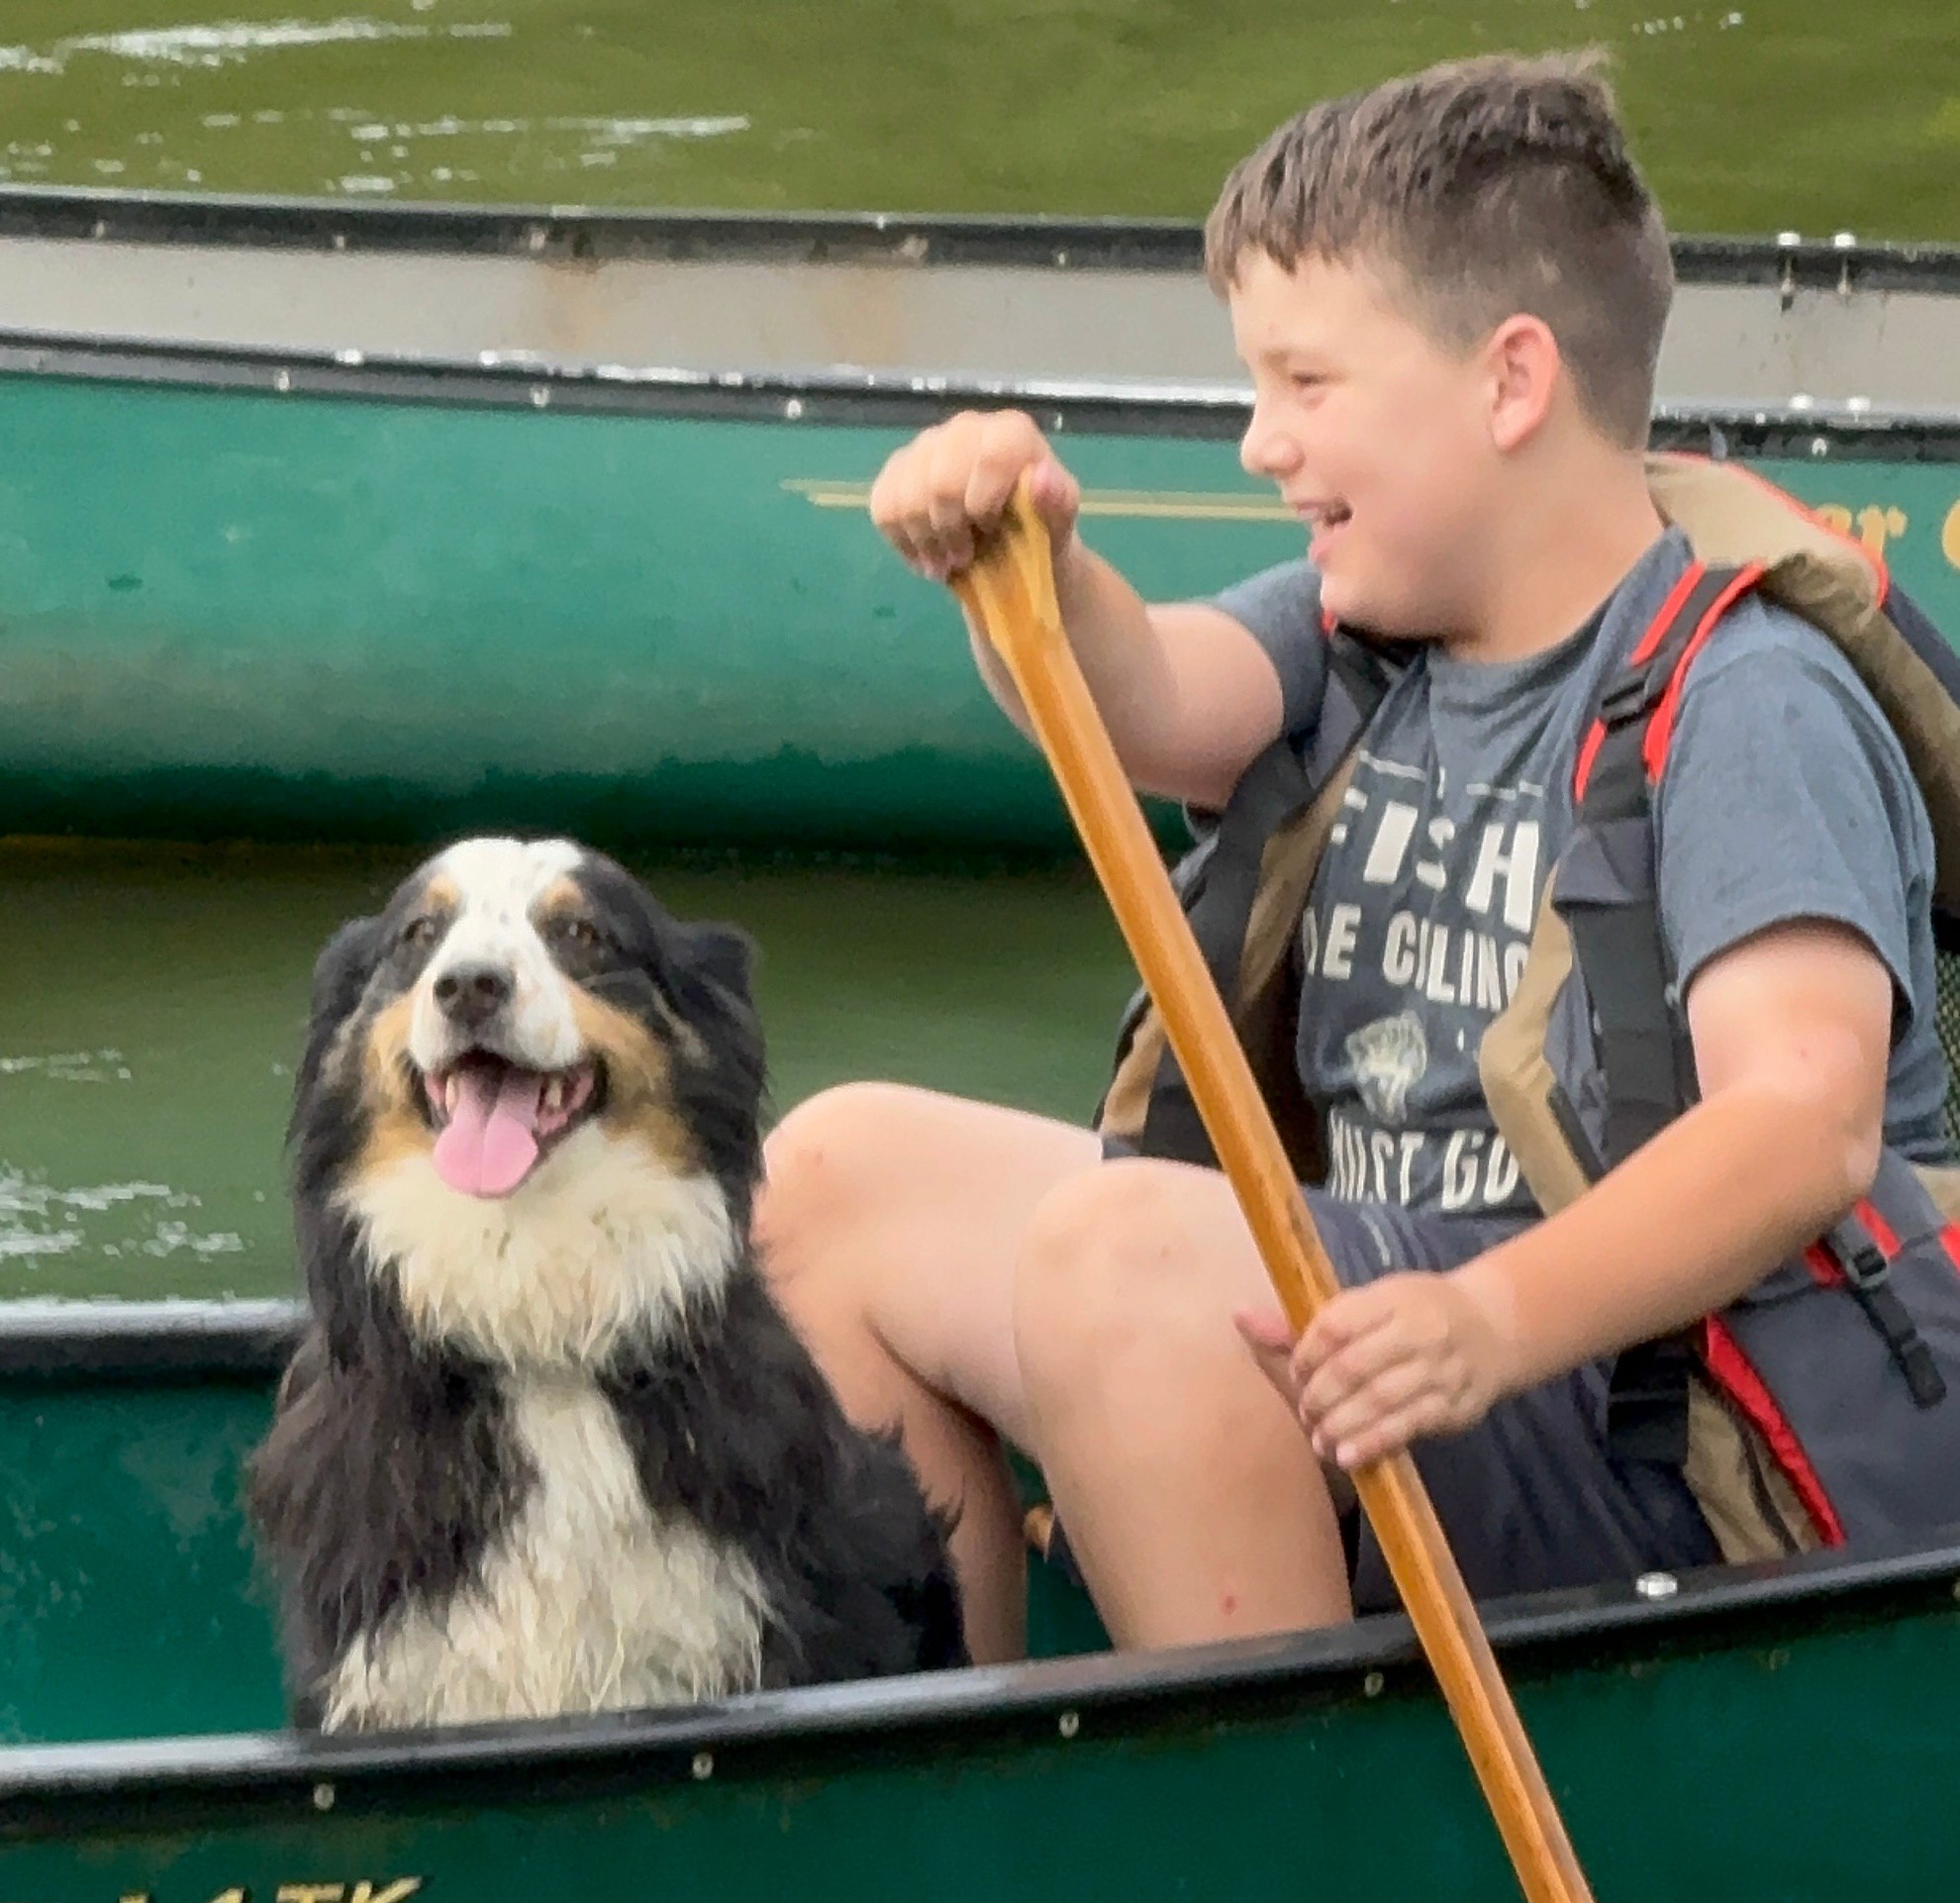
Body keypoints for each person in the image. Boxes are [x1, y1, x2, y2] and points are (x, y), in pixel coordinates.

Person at [756, 53, 1953, 1662]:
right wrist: (1025, 563)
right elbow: (1140, 704)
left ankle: (1284, 1852)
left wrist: (1489, 1323)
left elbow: (1798, 1130)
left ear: (1511, 383)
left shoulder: (1751, 701)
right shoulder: (1367, 639)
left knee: (1140, 1262)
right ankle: (950, 1747)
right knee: (832, 1182)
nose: (1261, 442)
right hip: (1413, 1348)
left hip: (1692, 1438)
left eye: (1306, 385)